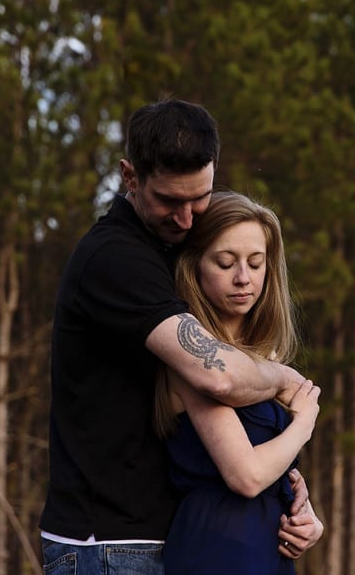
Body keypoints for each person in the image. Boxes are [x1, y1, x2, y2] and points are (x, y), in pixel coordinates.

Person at [39, 100, 323, 574]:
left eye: (200, 198)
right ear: (129, 177)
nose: (188, 219)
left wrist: (297, 501)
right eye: (171, 201)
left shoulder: (166, 250)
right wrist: (286, 382)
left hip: (160, 535)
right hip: (107, 544)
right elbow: (221, 379)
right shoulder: (116, 259)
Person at [153, 191, 322, 574]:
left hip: (267, 547)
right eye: (225, 263)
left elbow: (275, 465)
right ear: (195, 267)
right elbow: (245, 475)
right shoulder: (195, 362)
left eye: (256, 263)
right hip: (217, 546)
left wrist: (308, 517)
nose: (243, 278)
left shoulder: (267, 360)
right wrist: (305, 422)